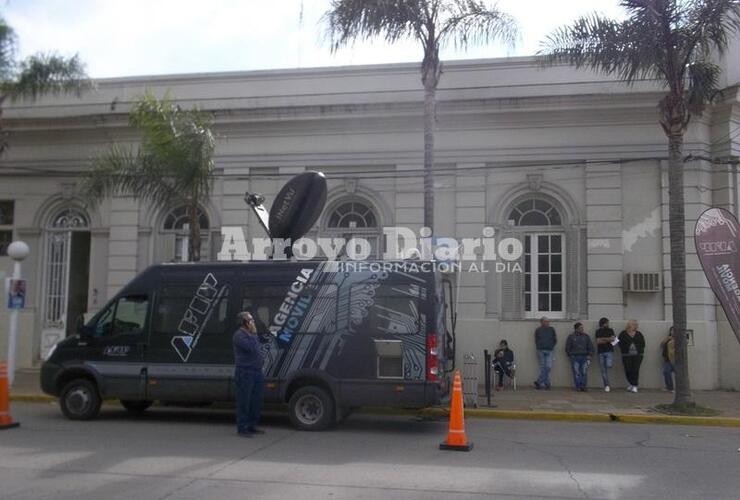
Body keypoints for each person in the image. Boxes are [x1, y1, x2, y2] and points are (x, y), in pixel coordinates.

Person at [233, 311, 265, 437]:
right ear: (244, 322)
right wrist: (254, 334)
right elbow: (251, 348)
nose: (253, 322)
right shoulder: (239, 335)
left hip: (256, 372)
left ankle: (252, 425)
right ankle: (242, 427)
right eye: (250, 320)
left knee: (255, 401)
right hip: (245, 372)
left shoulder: (251, 335)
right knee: (244, 402)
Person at [618, 319, 646, 393]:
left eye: (636, 324)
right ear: (629, 325)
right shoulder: (623, 333)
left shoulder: (639, 334)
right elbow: (618, 342)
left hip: (638, 355)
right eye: (634, 324)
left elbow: (643, 343)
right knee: (628, 369)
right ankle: (631, 383)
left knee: (635, 370)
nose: (635, 325)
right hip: (626, 355)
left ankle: (635, 385)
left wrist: (639, 349)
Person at [565, 322, 594, 392]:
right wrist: (570, 355)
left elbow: (590, 346)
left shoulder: (586, 336)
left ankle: (583, 386)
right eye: (580, 328)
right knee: (576, 372)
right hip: (575, 357)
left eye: (582, 328)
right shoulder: (571, 337)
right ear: (576, 329)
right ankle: (578, 386)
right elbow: (567, 347)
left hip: (584, 357)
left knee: (584, 372)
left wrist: (590, 354)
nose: (582, 329)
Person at [534, 316, 557, 390]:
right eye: (546, 321)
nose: (548, 323)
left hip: (550, 350)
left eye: (548, 321)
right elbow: (536, 339)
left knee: (548, 367)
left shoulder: (552, 329)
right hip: (541, 350)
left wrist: (551, 346)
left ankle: (539, 381)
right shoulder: (538, 330)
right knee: (543, 367)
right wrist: (539, 346)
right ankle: (547, 383)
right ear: (541, 322)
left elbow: (555, 339)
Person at [594, 317, 616, 392]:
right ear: (603, 323)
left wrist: (603, 339)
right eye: (606, 323)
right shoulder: (598, 331)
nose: (608, 324)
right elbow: (598, 341)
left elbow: (613, 339)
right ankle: (606, 385)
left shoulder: (611, 330)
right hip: (601, 352)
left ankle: (607, 385)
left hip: (609, 351)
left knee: (609, 365)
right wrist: (608, 339)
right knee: (603, 370)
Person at [660, 327, 676, 392]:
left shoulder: (680, 339)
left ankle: (682, 388)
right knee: (666, 372)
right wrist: (667, 339)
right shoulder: (668, 339)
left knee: (680, 374)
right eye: (672, 330)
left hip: (676, 360)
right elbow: (661, 345)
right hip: (667, 359)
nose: (673, 332)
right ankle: (670, 388)